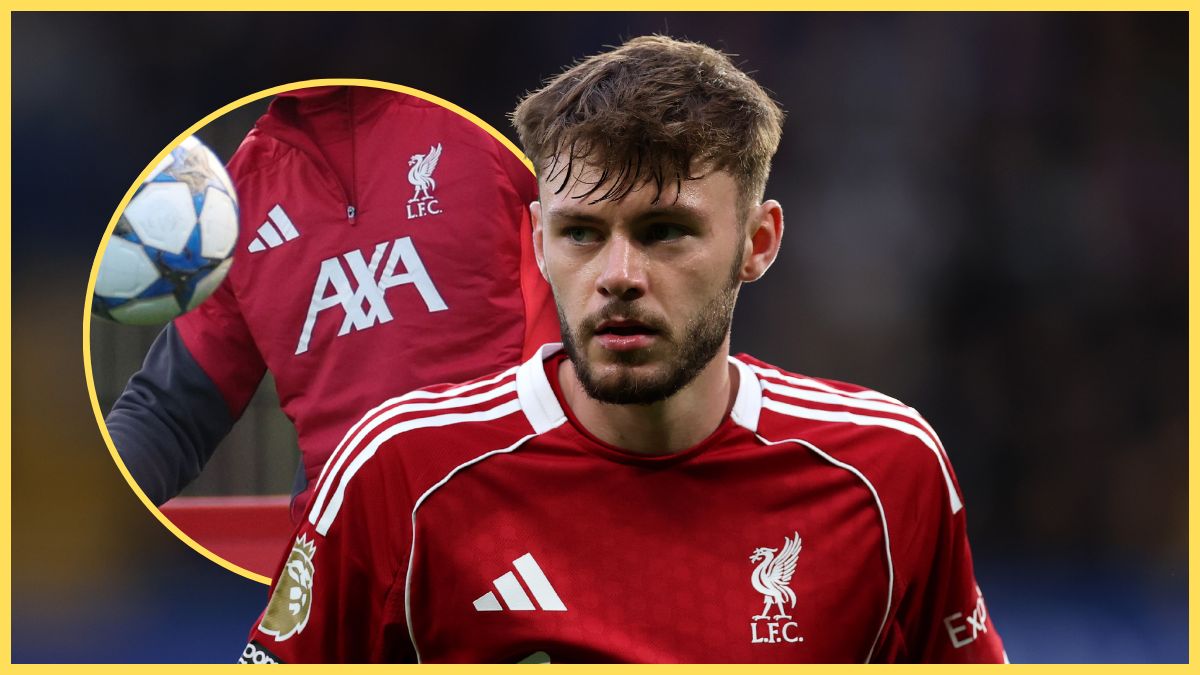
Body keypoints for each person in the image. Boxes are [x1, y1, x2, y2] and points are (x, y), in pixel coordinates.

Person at [240, 37, 1007, 663]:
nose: (619, 277)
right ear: (539, 242)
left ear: (758, 242)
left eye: (664, 231)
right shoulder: (400, 469)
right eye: (581, 233)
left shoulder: (885, 469)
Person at [107, 85, 560, 522]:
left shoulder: (502, 121)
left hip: (519, 521)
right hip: (340, 563)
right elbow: (169, 412)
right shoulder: (237, 199)